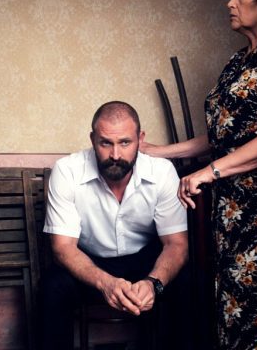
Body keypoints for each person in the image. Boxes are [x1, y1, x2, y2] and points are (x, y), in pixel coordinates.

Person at [141, 0, 257, 350]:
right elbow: (224, 135)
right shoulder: (239, 61)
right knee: (234, 305)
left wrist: (208, 173)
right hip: (234, 205)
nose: (230, 2)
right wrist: (158, 152)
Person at [37, 101, 190, 350]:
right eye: (105, 143)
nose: (115, 155)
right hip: (90, 263)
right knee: (52, 287)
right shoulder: (67, 171)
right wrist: (105, 283)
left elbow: (176, 245)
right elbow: (63, 248)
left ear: (140, 139)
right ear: (92, 139)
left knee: (189, 281)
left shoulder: (162, 172)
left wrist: (154, 283)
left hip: (145, 261)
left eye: (125, 143)